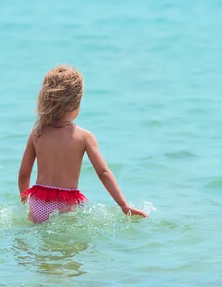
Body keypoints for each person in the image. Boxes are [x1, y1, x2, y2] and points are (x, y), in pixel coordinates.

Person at [18, 64, 147, 223]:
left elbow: (24, 174)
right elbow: (103, 173)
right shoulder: (84, 136)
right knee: (70, 246)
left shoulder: (37, 133)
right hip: (66, 205)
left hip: (38, 202)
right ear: (76, 102)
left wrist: (26, 202)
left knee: (38, 243)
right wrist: (124, 205)